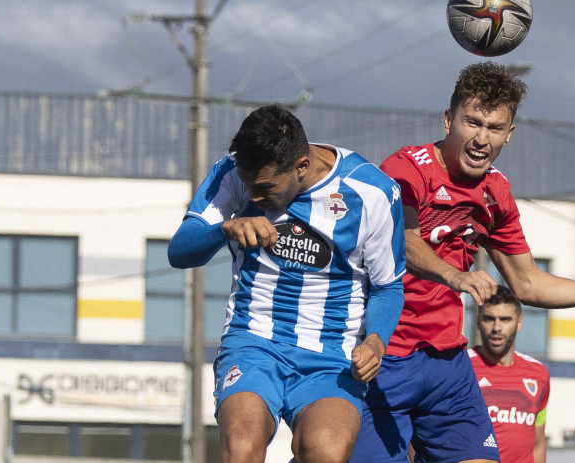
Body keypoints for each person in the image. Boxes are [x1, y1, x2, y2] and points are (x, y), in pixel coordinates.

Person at [349, 61, 575, 463]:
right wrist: (456, 277)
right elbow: (403, 241)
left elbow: (528, 283)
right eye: (472, 122)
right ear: (449, 120)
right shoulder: (406, 169)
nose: (481, 138)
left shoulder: (495, 193)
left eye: (494, 128)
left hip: (446, 362)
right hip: (383, 354)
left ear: (509, 134)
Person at [167, 104, 406, 463]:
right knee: (241, 449)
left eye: (264, 188)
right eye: (248, 186)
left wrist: (376, 340)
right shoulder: (232, 173)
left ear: (301, 166)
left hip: (331, 358)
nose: (253, 197)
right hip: (254, 342)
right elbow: (180, 252)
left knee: (324, 452)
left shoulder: (371, 192)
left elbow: (388, 287)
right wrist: (224, 228)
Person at [469, 285, 550, 463]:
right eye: (489, 319)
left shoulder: (539, 373)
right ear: (478, 321)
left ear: (519, 322)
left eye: (505, 319)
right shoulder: (460, 367)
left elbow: (538, 443)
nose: (497, 327)